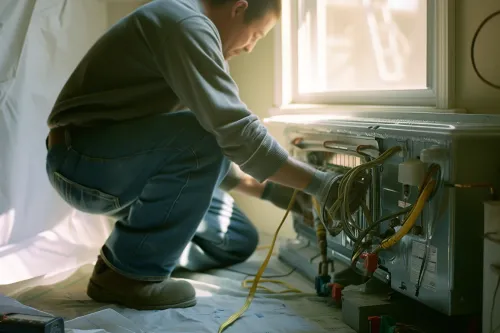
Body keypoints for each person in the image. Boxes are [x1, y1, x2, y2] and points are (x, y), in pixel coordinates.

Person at [45, 0, 368, 310]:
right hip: (83, 163)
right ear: (239, 8)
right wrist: (322, 186)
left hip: (123, 164)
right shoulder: (184, 22)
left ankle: (132, 253)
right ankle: (126, 276)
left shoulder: (189, 28)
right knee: (206, 135)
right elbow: (231, 132)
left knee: (236, 239)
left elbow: (187, 155)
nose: (250, 47)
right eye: (256, 35)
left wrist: (271, 191)